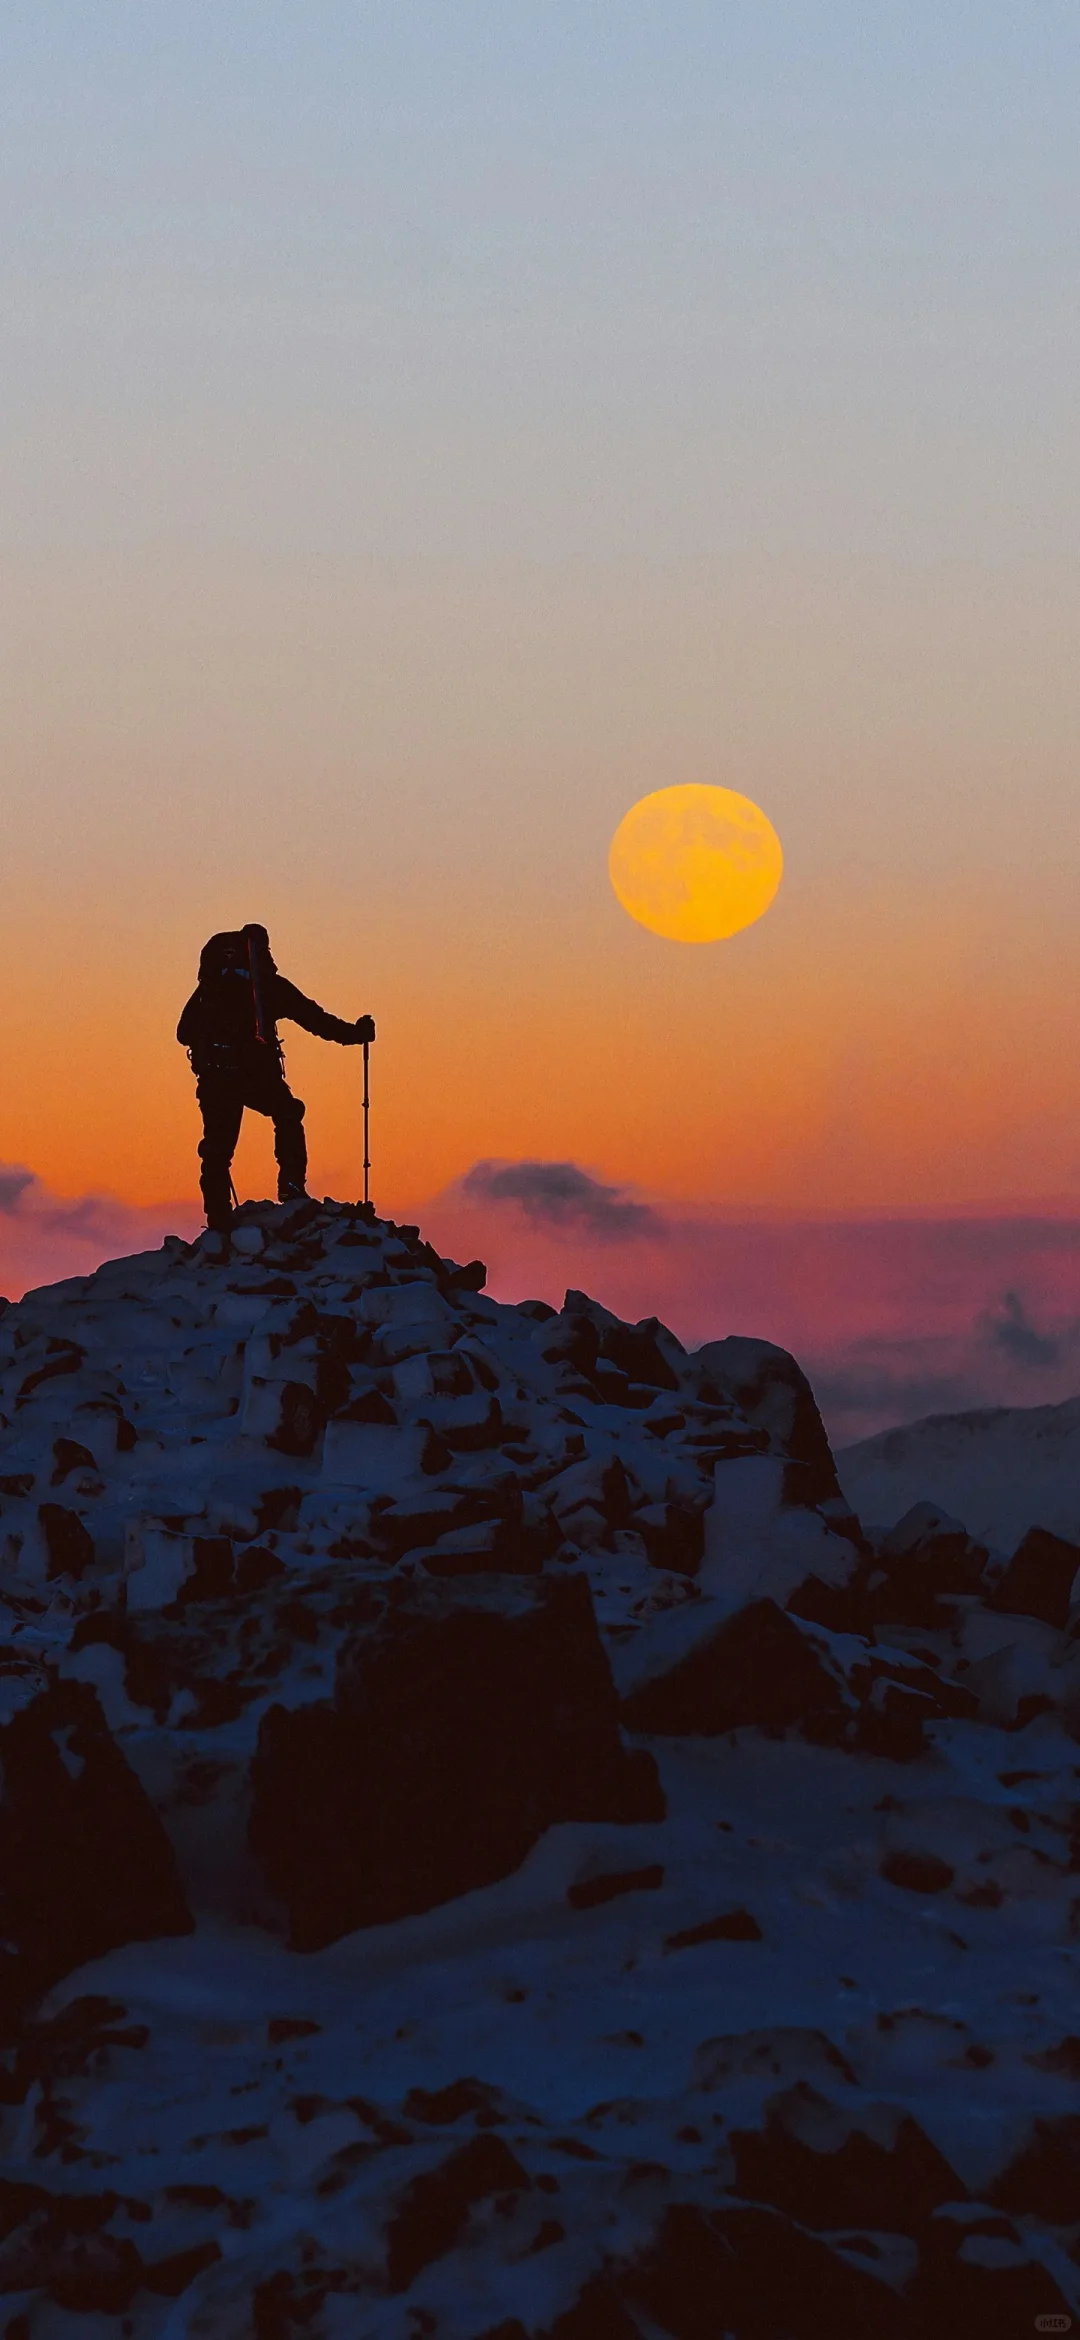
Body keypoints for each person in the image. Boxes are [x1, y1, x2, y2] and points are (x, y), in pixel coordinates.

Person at [177, 924, 374, 1233]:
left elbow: (183, 1033)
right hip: (258, 1074)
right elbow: (315, 1019)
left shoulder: (209, 990)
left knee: (218, 1147)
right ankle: (291, 1186)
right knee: (288, 1112)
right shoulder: (269, 987)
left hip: (216, 1077)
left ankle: (218, 1218)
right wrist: (355, 1034)